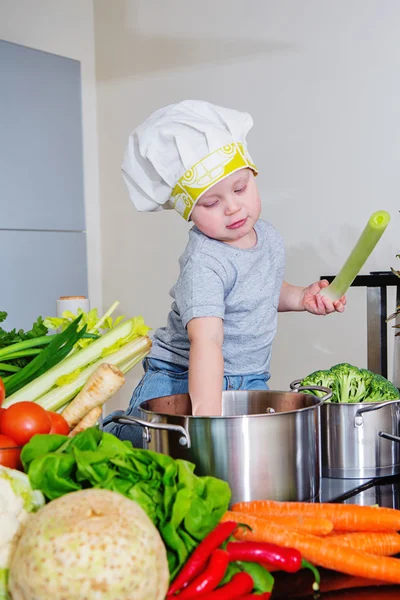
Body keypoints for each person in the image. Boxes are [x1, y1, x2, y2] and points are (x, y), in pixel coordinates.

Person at [103, 99, 346, 445]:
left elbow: (260, 292)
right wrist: (204, 418)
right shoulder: (204, 262)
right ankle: (109, 434)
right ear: (188, 212)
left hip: (249, 377)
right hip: (183, 375)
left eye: (240, 188)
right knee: (146, 444)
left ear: (254, 178)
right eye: (211, 202)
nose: (232, 206)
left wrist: (301, 297)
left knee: (237, 454)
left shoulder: (271, 239)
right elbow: (207, 340)